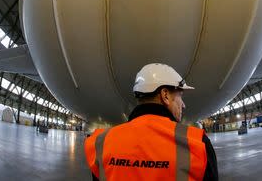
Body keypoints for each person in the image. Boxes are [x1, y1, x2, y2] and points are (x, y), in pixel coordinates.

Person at [84, 63, 218, 180]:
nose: (183, 105)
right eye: (180, 96)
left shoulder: (101, 143)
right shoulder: (197, 144)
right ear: (165, 95)